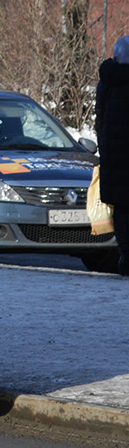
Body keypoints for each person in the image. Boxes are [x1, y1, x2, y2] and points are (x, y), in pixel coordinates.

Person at [93, 35, 129, 275]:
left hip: (114, 160)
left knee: (122, 212)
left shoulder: (107, 82)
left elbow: (100, 121)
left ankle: (126, 256)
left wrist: (105, 149)